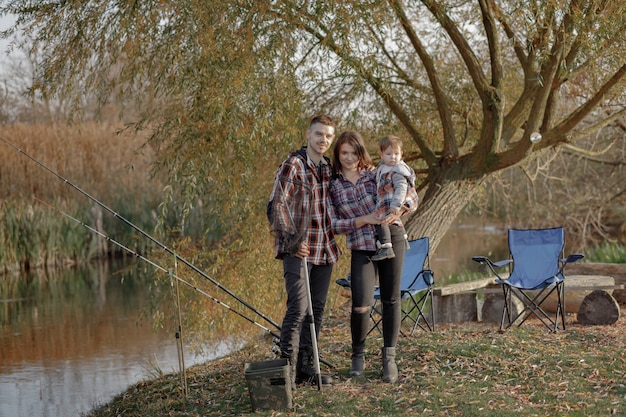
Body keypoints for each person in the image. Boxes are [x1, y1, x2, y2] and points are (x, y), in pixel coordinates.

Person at [329, 131, 417, 383]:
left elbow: (412, 193)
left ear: (361, 153)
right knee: (361, 304)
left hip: (392, 237)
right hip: (361, 246)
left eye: (354, 153)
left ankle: (389, 358)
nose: (349, 158)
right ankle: (358, 356)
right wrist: (362, 220)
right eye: (344, 153)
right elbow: (333, 224)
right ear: (337, 155)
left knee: (391, 299)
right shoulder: (334, 185)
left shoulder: (375, 173)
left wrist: (399, 208)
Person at [267, 115, 341, 389]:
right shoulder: (293, 164)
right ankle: (286, 372)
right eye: (319, 134)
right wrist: (293, 240)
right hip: (298, 249)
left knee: (317, 310)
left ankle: (306, 369)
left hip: (324, 248)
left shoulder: (327, 167)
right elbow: (276, 205)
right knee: (298, 308)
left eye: (328, 136)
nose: (324, 140)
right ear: (308, 134)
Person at [371, 135, 416, 261]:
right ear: (382, 155)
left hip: (390, 204)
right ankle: (404, 240)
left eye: (396, 154)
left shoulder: (398, 171)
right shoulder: (383, 168)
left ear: (401, 154)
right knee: (393, 221)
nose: (393, 157)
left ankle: (385, 247)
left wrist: (396, 205)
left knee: (382, 221)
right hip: (383, 202)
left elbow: (402, 189)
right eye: (389, 154)